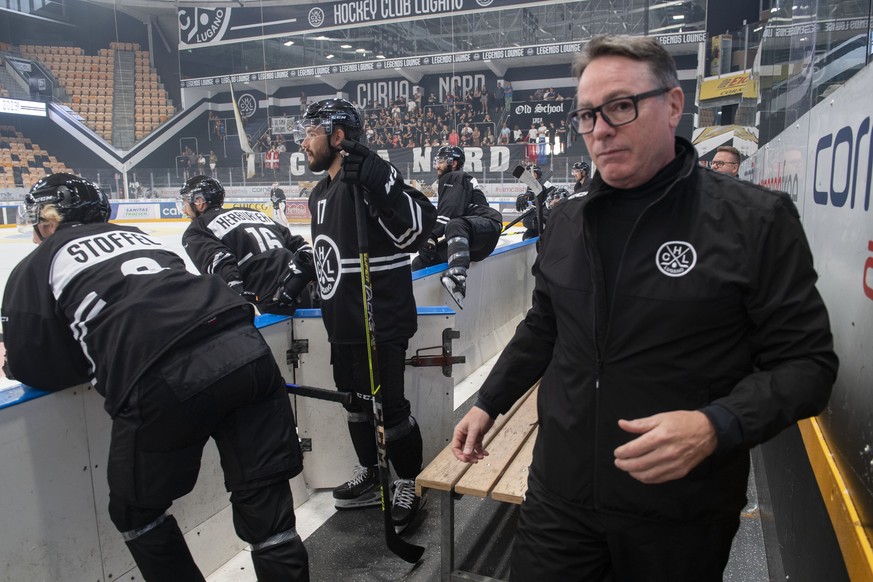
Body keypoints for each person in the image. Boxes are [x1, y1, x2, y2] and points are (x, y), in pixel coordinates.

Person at [452, 34, 837, 582]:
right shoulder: (564, 222)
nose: (601, 129)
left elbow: (808, 367)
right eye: (587, 115)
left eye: (621, 106)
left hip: (680, 511)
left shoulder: (755, 220)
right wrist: (489, 401)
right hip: (560, 498)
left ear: (673, 104)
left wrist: (717, 424)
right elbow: (543, 327)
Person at [2, 173, 310, 582]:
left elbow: (34, 361)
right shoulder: (139, 237)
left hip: (163, 377)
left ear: (50, 218)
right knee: (265, 504)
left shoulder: (37, 264)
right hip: (248, 351)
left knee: (135, 511)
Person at [295, 98, 437, 533]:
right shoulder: (319, 193)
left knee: (389, 409)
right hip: (343, 323)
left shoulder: (369, 181)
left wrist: (381, 182)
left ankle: (409, 481)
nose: (303, 143)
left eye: (311, 133)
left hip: (381, 319)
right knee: (354, 404)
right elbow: (327, 260)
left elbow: (419, 229)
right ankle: (372, 470)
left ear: (338, 136)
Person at [179, 175, 314, 316]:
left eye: (185, 202)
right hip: (300, 293)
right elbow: (303, 248)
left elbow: (221, 263)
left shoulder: (198, 228)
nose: (184, 209)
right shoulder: (255, 213)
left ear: (199, 202)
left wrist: (238, 299)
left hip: (264, 301)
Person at [411, 145, 502, 308]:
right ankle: (416, 302)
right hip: (473, 237)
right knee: (422, 261)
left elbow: (449, 214)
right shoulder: (456, 179)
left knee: (455, 225)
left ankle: (458, 279)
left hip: (486, 224)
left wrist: (430, 235)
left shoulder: (455, 176)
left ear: (453, 163)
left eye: (440, 161)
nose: (437, 166)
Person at [514, 165, 553, 240]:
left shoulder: (543, 183)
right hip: (540, 212)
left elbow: (532, 193)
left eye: (531, 173)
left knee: (531, 222)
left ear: (537, 174)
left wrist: (524, 196)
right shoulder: (533, 185)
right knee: (527, 233)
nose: (529, 177)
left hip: (547, 213)